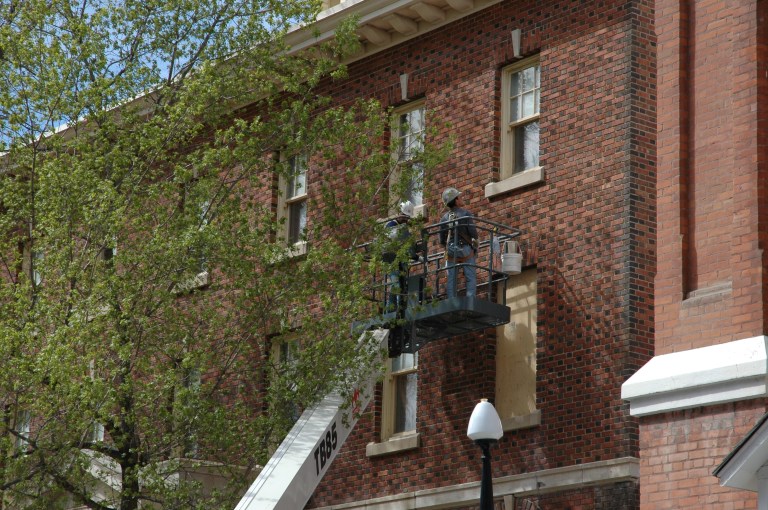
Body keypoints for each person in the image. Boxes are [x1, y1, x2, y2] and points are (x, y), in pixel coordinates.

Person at [439, 187, 478, 297]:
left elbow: (441, 239)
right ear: (456, 200)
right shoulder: (466, 214)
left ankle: (451, 301)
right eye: (460, 197)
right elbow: (473, 233)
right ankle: (471, 300)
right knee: (470, 277)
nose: (462, 198)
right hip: (465, 250)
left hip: (451, 251)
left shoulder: (444, 218)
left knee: (451, 280)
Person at [384, 201, 416, 311]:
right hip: (393, 261)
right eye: (404, 217)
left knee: (395, 286)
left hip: (401, 261)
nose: (406, 220)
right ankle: (400, 310)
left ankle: (389, 310)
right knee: (398, 285)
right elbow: (395, 242)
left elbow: (408, 244)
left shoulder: (403, 227)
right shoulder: (390, 226)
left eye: (407, 218)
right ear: (399, 214)